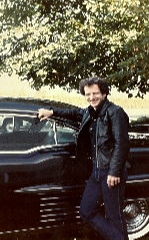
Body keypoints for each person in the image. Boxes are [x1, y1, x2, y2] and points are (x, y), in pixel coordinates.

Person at [38, 77, 130, 240]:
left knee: (114, 215)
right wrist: (51, 112)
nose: (91, 97)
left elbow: (121, 144)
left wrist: (114, 172)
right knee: (86, 211)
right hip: (96, 170)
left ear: (104, 93)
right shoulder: (90, 111)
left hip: (110, 171)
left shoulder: (115, 112)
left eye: (95, 93)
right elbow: (74, 113)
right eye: (87, 94)